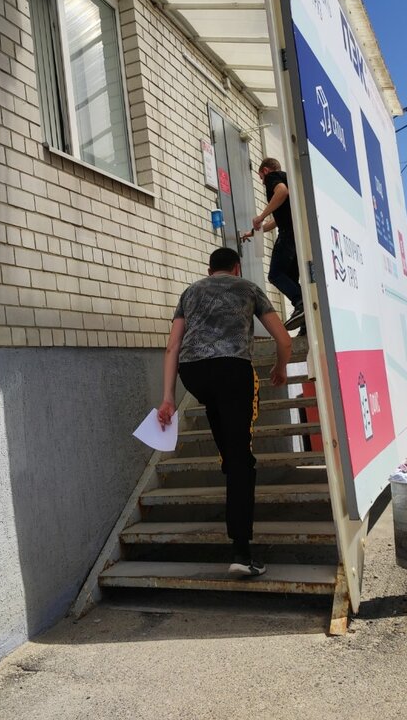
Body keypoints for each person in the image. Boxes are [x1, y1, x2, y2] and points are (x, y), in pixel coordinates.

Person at [157, 247, 291, 577]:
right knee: (242, 460)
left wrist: (168, 399)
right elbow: (284, 339)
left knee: (230, 452)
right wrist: (280, 367)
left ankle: (231, 464)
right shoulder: (248, 288)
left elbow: (173, 345)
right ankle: (242, 553)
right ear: (236, 267)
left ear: (209, 268)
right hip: (233, 371)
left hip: (194, 374)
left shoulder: (190, 292)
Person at [248, 157, 305, 331]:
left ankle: (301, 303)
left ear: (265, 171)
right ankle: (305, 324)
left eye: (261, 178)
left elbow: (281, 192)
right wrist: (253, 232)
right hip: (299, 234)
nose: (263, 182)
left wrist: (261, 216)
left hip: (289, 234)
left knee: (275, 274)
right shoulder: (288, 178)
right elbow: (276, 221)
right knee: (291, 278)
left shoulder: (273, 178)